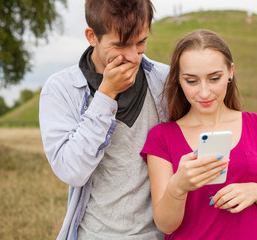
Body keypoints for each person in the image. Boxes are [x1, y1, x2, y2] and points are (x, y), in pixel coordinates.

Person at [140, 29, 257, 239]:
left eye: (214, 78)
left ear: (230, 72)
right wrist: (178, 187)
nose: (204, 92)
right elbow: (166, 225)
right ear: (179, 79)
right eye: (192, 81)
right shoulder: (162, 137)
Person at [39, 0, 169, 239]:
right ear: (92, 36)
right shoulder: (59, 89)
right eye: (120, 45)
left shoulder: (166, 81)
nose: (132, 56)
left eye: (140, 42)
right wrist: (106, 94)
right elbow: (72, 171)